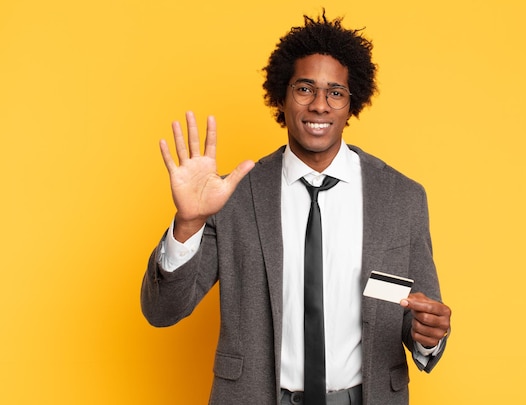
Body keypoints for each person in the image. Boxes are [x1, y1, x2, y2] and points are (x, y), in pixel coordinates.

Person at [141, 11, 451, 405]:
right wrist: (188, 223)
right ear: (281, 97)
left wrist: (429, 337)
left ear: (351, 104)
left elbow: (419, 314)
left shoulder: (401, 197)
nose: (320, 105)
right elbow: (162, 311)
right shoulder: (233, 196)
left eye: (335, 92)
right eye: (305, 89)